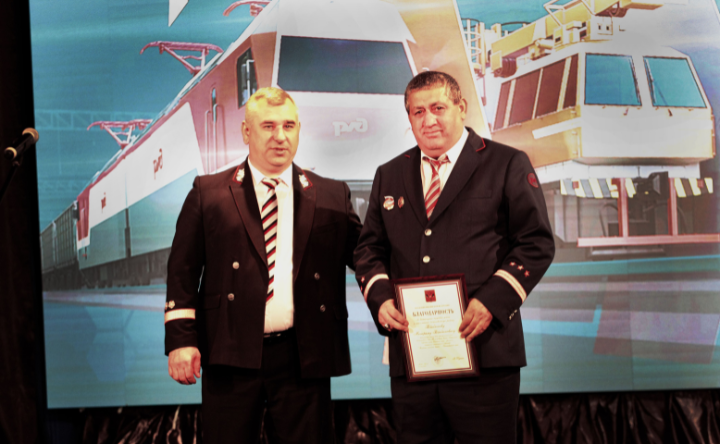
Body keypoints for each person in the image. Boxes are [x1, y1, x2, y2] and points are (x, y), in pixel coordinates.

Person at [354, 71, 555, 443]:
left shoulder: (506, 163)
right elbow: (369, 249)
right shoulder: (389, 174)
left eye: (438, 108)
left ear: (461, 108)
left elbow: (536, 242)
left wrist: (493, 300)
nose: (428, 120)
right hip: (413, 358)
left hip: (485, 353)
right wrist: (380, 298)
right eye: (418, 112)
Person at [164, 87, 362, 444]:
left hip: (303, 355)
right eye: (268, 126)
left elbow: (365, 256)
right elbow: (182, 272)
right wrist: (181, 340)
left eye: (288, 126)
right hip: (229, 351)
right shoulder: (208, 193)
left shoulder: (332, 194)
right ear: (246, 132)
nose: (280, 136)